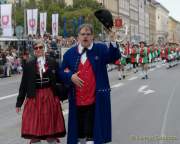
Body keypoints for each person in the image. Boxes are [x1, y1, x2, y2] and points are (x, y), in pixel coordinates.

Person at [59, 24, 120, 144]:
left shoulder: (101, 49)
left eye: (88, 34)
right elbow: (61, 71)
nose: (85, 37)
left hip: (95, 100)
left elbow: (114, 57)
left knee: (92, 135)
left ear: (92, 36)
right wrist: (70, 76)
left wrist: (113, 40)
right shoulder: (70, 53)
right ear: (78, 37)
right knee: (79, 134)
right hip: (76, 100)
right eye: (82, 34)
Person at [15, 39, 66, 144]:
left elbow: (60, 79)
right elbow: (24, 85)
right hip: (34, 97)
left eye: (40, 47)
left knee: (50, 128)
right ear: (34, 50)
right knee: (35, 129)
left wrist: (63, 95)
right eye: (36, 48)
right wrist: (19, 103)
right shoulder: (29, 65)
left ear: (44, 49)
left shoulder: (52, 62)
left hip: (49, 96)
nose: (38, 49)